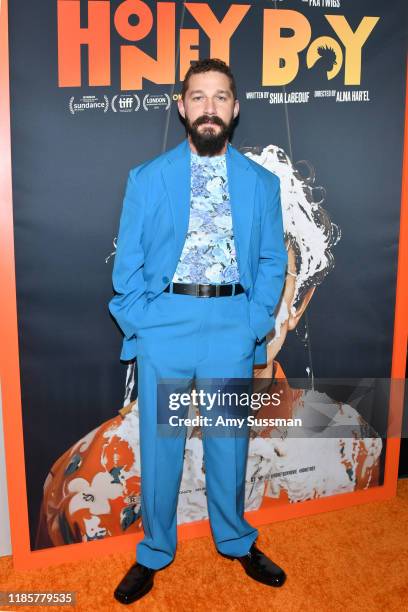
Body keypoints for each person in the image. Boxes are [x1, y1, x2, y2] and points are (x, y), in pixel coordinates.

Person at [109, 58, 288, 604]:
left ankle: (235, 540)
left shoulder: (261, 183)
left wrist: (254, 325)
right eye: (198, 96)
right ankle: (155, 552)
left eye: (221, 97)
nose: (209, 107)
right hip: (166, 326)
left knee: (229, 446)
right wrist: (144, 321)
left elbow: (272, 260)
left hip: (231, 327)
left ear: (235, 109)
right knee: (161, 446)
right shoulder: (147, 178)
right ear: (182, 105)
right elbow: (128, 267)